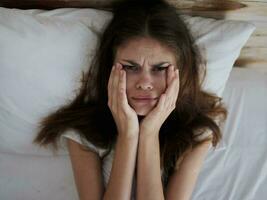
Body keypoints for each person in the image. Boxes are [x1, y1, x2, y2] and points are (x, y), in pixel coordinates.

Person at [34, 0, 227, 199]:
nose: (144, 83)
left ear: (181, 72)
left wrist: (149, 133)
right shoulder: (83, 135)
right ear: (111, 69)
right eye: (130, 67)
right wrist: (128, 135)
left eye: (159, 69)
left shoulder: (196, 135)